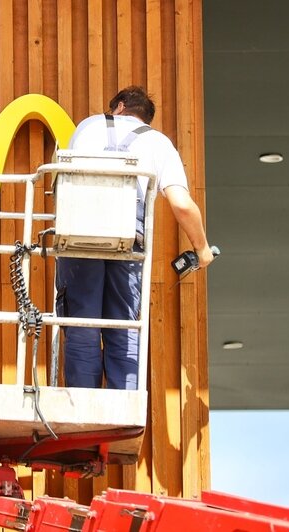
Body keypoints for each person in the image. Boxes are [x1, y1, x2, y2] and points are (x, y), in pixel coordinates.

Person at [55, 86, 214, 390]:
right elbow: (181, 204)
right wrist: (202, 249)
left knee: (82, 328)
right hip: (128, 240)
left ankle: (82, 413)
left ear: (119, 106)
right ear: (145, 119)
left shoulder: (87, 126)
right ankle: (121, 409)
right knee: (124, 329)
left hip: (79, 232)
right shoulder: (158, 142)